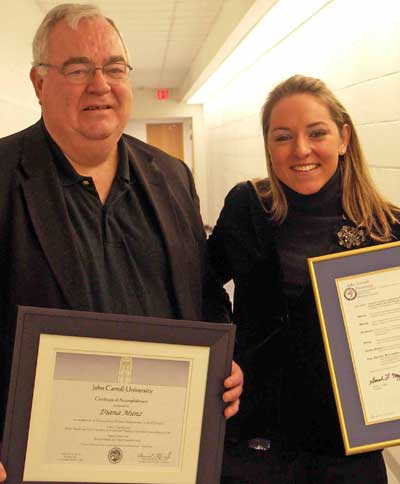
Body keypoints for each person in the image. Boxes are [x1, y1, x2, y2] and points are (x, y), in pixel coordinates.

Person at [0, 3, 243, 481]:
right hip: (37, 462)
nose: (100, 84)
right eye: (77, 69)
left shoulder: (172, 177)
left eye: (114, 68)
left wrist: (223, 361)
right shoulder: (5, 176)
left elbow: (205, 295)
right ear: (38, 83)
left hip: (163, 455)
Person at [209, 74, 398, 483]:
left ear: (343, 138)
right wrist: (221, 348)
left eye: (317, 133)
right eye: (282, 137)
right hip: (255, 441)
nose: (301, 150)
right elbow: (202, 284)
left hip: (346, 449)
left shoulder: (388, 230)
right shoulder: (247, 208)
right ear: (267, 146)